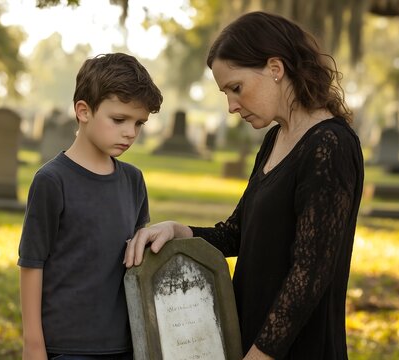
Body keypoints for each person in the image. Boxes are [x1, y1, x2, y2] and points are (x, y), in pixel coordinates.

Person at [124, 11, 364, 360]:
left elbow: (310, 273)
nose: (232, 106)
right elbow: (238, 233)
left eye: (236, 88)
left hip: (295, 348)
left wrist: (261, 354)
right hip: (246, 335)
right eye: (226, 93)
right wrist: (178, 230)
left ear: (275, 69)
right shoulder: (274, 139)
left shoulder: (330, 145)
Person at [18, 53, 163, 360]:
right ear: (83, 111)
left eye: (139, 123)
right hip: (67, 347)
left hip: (127, 345)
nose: (131, 133)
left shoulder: (133, 181)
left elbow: (137, 268)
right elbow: (32, 264)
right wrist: (33, 347)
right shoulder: (51, 181)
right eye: (119, 120)